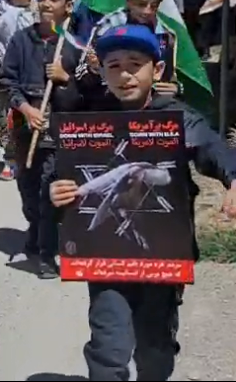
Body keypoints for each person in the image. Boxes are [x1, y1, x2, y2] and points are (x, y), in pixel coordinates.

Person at [50, 24, 236, 381]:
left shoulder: (179, 117)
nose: (125, 74)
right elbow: (62, 181)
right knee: (109, 349)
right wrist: (55, 192)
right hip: (105, 256)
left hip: (163, 255)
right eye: (114, 65)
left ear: (158, 70)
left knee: (155, 349)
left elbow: (214, 149)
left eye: (135, 63)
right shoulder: (88, 120)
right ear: (102, 71)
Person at [0, 0, 98, 279]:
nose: (45, 3)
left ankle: (46, 253)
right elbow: (6, 83)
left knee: (47, 191)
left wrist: (66, 77)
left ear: (68, 7)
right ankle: (34, 226)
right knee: (28, 189)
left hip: (58, 134)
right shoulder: (20, 40)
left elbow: (87, 95)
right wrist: (27, 109)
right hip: (24, 129)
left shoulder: (76, 49)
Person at [0, 0, 36, 180]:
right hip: (11, 72)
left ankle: (27, 157)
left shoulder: (32, 13)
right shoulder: (4, 15)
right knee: (11, 117)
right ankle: (10, 159)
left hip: (32, 73)